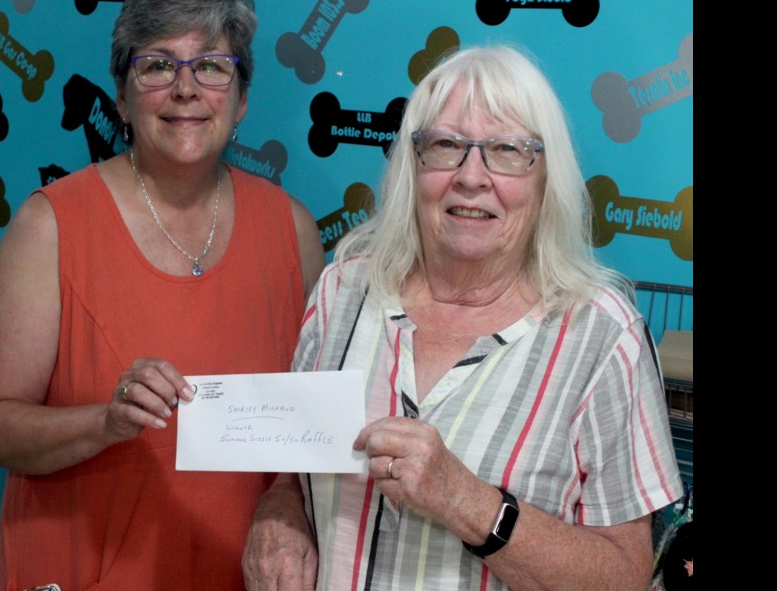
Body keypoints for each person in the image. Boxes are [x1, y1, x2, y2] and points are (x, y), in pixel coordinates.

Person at [242, 45, 683, 591]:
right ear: (412, 164)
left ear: (547, 179)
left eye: (506, 150)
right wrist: (279, 509)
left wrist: (467, 502)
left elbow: (624, 574)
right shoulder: (344, 289)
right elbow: (297, 461)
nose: (471, 177)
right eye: (446, 145)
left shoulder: (603, 336)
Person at [0, 0, 324, 591]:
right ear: (124, 99)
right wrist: (104, 422)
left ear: (240, 100)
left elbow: (309, 428)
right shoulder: (50, 225)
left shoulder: (291, 231)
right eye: (157, 65)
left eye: (211, 65)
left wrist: (289, 501)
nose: (186, 89)